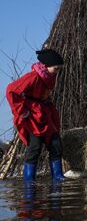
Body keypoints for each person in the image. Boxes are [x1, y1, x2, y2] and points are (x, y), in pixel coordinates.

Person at [6, 49, 65, 181]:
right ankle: (29, 182)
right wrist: (22, 112)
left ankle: (58, 177)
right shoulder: (33, 77)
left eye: (59, 69)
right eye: (56, 68)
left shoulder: (49, 77)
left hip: (45, 114)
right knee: (35, 147)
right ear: (46, 66)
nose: (57, 72)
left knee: (56, 144)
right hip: (33, 117)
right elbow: (11, 90)